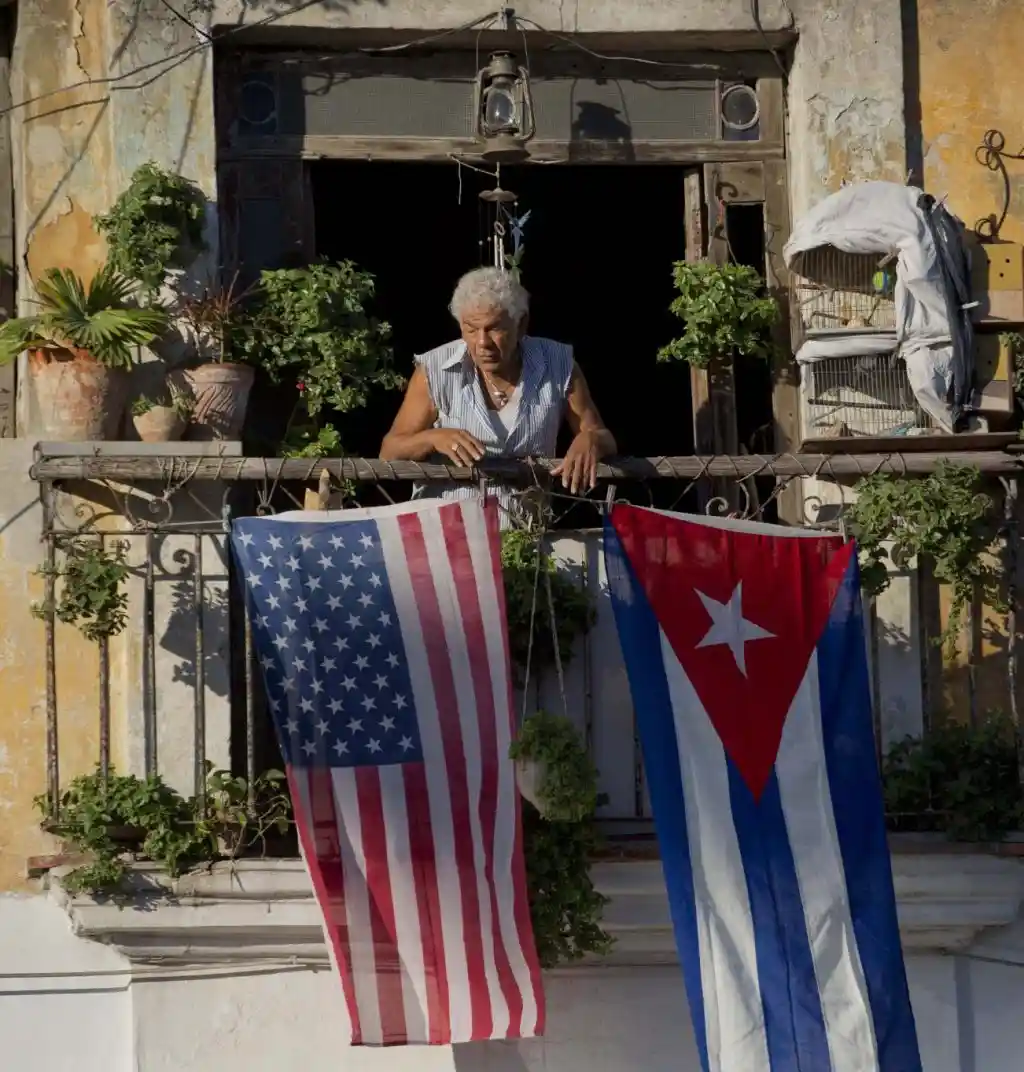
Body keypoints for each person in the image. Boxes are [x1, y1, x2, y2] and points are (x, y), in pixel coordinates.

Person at [380, 267, 616, 523]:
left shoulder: (558, 365)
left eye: (494, 329)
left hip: (526, 534)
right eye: (471, 329)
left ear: (521, 323)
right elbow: (390, 451)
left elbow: (603, 436)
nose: (483, 342)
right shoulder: (435, 370)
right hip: (448, 532)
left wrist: (591, 439)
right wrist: (433, 438)